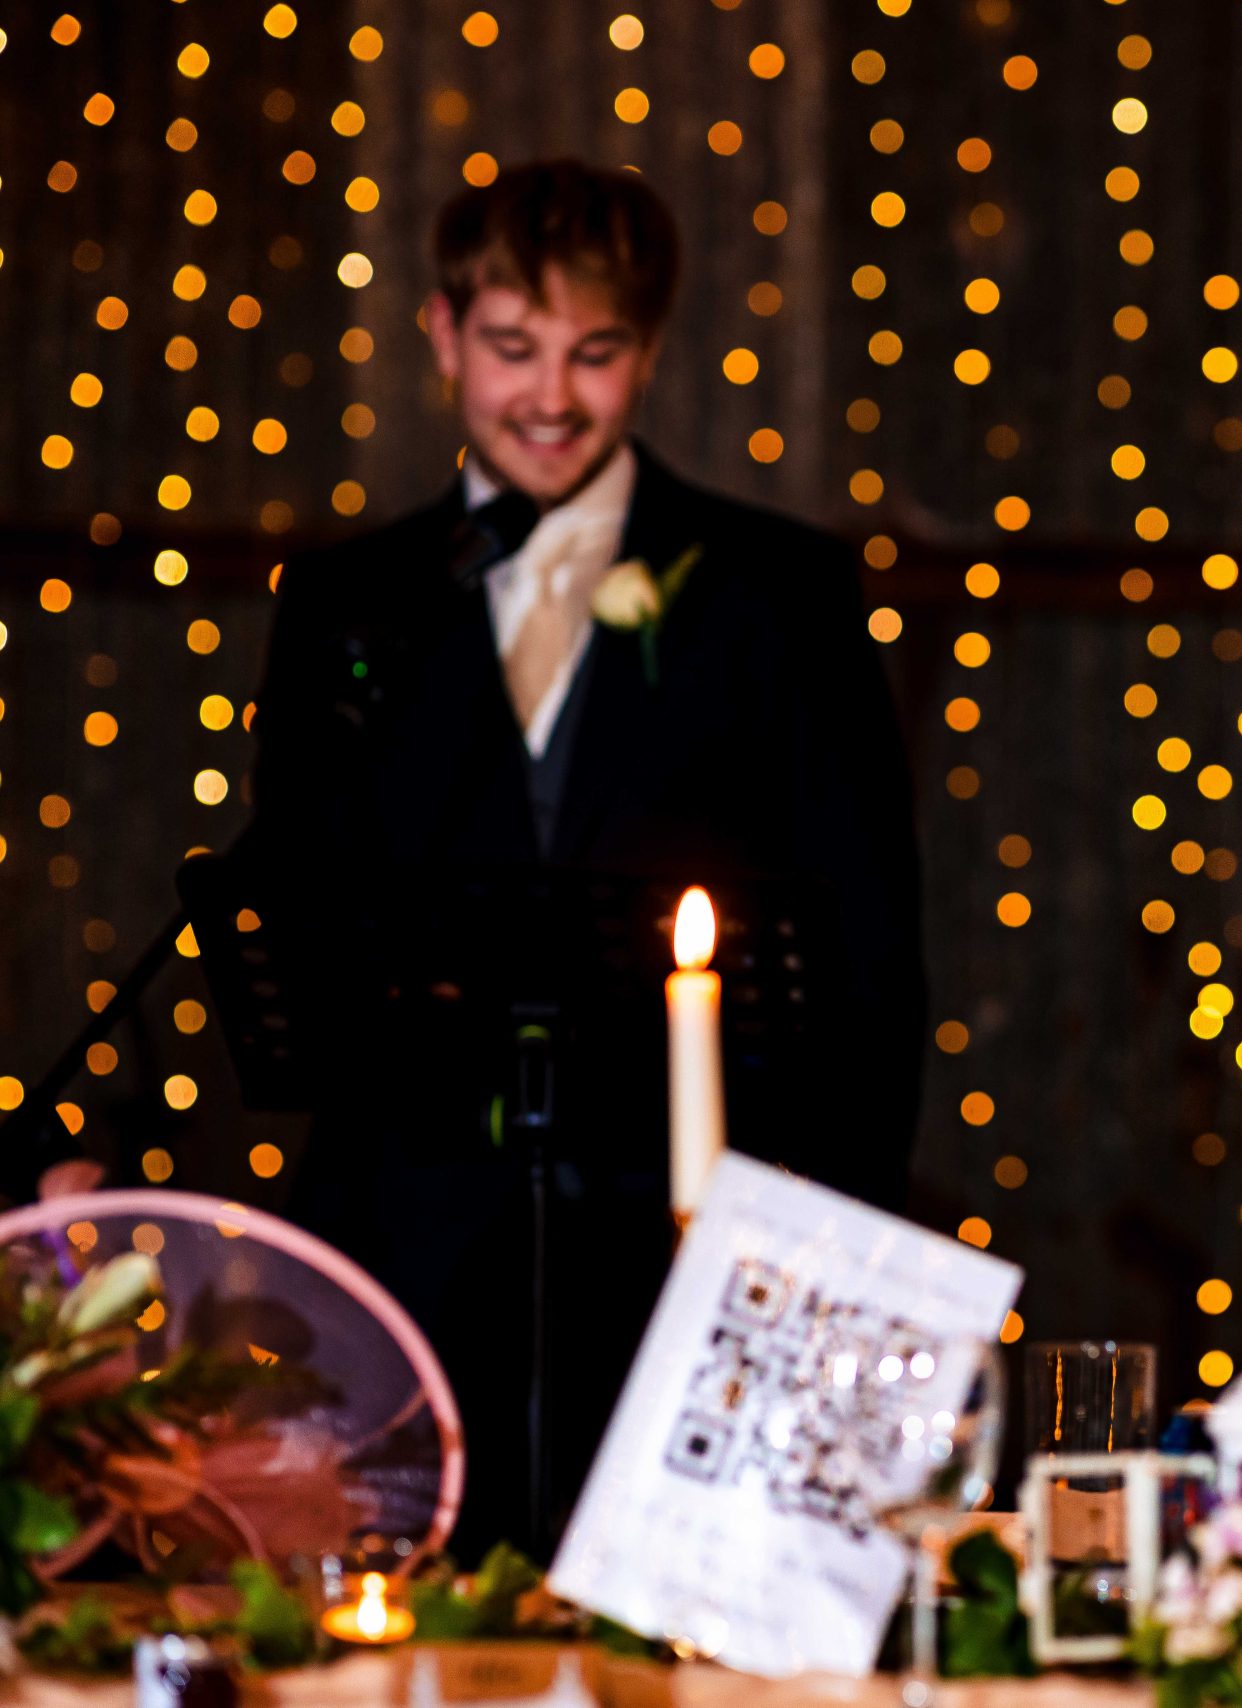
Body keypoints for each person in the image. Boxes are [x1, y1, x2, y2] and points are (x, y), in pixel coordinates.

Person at [249, 160, 926, 1557]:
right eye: (512, 349)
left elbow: (872, 961)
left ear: (650, 354)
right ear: (442, 333)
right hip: (413, 1260)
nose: (550, 398)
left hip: (688, 1262)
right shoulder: (344, 601)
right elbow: (301, 915)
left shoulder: (780, 595)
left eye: (594, 355)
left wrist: (807, 1283)